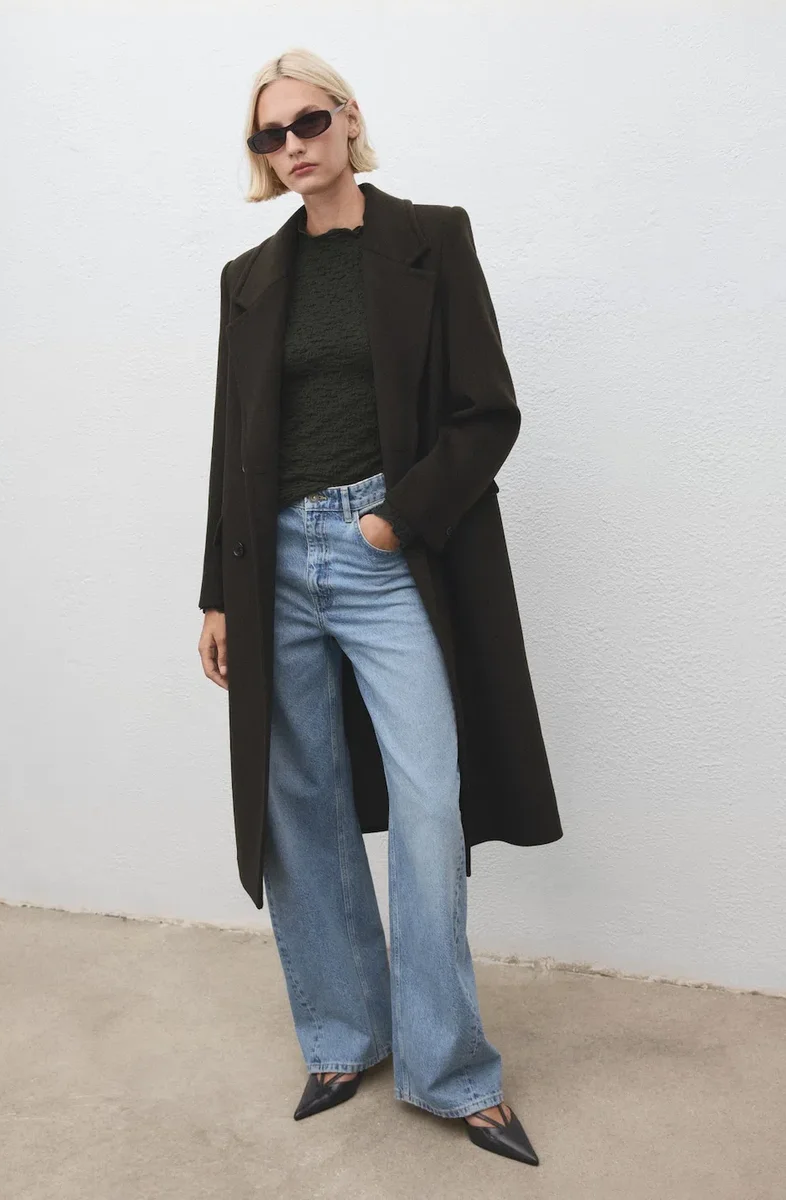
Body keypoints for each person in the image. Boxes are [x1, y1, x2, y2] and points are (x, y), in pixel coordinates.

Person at [198, 47, 561, 1167]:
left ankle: (450, 1070)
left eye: (308, 121)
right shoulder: (250, 277)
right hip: (273, 565)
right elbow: (230, 445)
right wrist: (216, 592)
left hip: (381, 550)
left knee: (428, 800)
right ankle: (343, 1036)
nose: (292, 145)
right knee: (299, 803)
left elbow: (487, 411)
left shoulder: (429, 239)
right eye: (269, 135)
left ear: (349, 119)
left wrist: (396, 522)